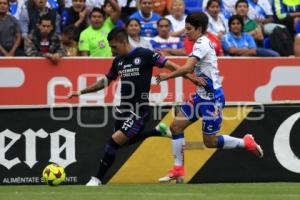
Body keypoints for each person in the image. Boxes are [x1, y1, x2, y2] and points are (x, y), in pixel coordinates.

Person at [68, 27, 200, 186]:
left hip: (140, 110)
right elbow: (105, 81)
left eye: (114, 47)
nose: (112, 51)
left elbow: (170, 65)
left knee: (113, 142)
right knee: (121, 143)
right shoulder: (118, 61)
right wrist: (82, 91)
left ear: (124, 42)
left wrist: (190, 77)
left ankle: (96, 179)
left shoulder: (144, 54)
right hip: (123, 109)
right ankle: (157, 131)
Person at [156, 12, 264, 183]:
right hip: (200, 97)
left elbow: (187, 68)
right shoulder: (199, 43)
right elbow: (191, 70)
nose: (186, 32)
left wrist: (166, 76)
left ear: (199, 29)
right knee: (176, 126)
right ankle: (178, 169)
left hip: (212, 99)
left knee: (210, 142)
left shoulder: (202, 44)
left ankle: (246, 142)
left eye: (189, 29)